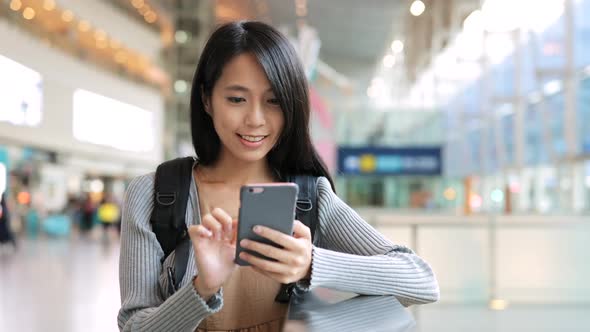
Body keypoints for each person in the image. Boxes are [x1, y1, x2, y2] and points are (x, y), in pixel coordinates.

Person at [118, 21, 439, 332]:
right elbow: (135, 328)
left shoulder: (310, 197)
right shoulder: (156, 193)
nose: (255, 119)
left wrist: (310, 264)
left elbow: (421, 281)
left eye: (273, 101)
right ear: (206, 99)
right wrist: (201, 290)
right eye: (236, 99)